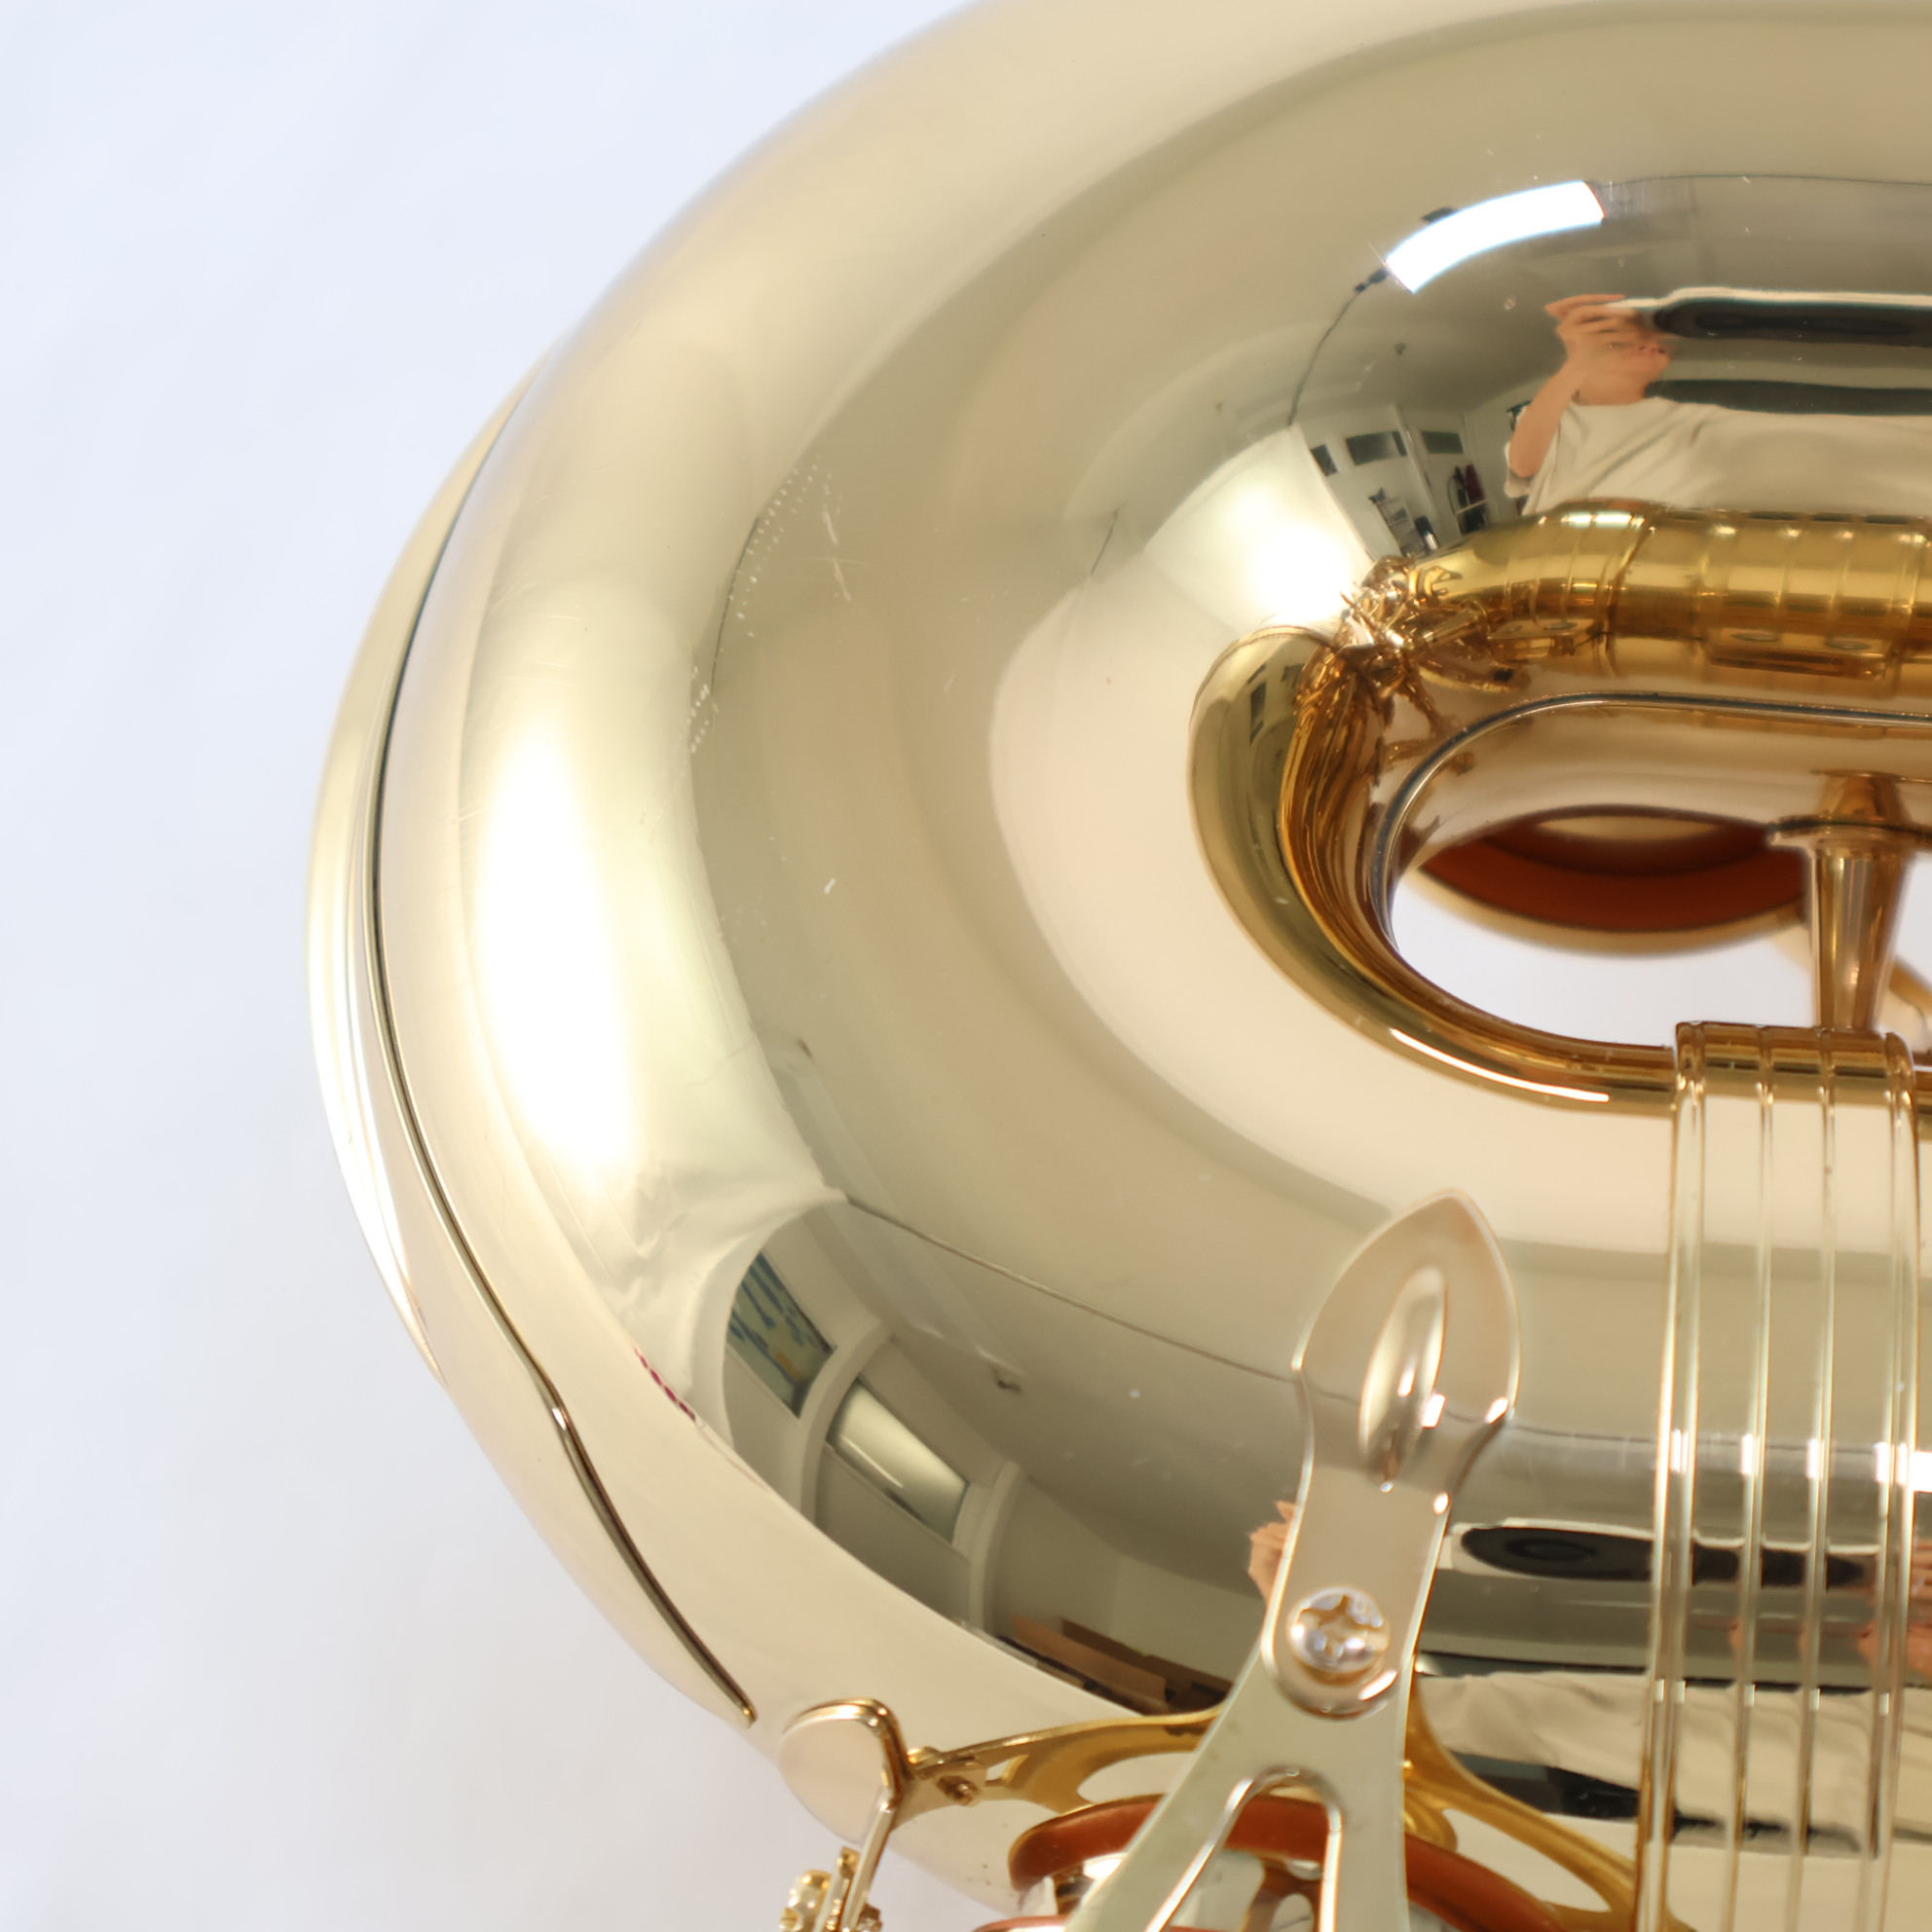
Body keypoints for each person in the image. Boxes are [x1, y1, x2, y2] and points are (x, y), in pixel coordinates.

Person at [1504, 292, 1932, 520]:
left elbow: (1812, 447)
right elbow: (1524, 464)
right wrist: (1577, 362)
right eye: (1623, 343)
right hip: (1563, 563)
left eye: (1653, 341)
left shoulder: (1686, 419)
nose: (1649, 346)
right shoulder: (1555, 419)